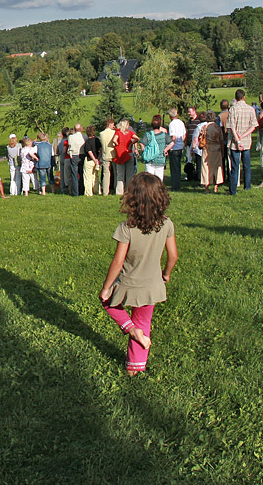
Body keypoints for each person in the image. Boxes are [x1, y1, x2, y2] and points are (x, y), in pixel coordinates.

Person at [98, 173, 178, 377]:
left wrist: (106, 288)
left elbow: (118, 262)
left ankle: (132, 331)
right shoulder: (167, 224)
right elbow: (173, 255)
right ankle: (135, 367)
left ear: (133, 198)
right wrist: (166, 274)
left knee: (107, 301)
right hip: (152, 285)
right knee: (143, 321)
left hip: (128, 284)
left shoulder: (126, 228)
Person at [225, 90, 256, 195]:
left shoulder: (233, 109)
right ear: (244, 97)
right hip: (246, 141)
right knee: (247, 165)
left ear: (236, 98)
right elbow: (253, 126)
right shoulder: (251, 109)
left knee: (235, 166)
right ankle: (247, 186)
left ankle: (233, 189)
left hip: (235, 142)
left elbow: (231, 127)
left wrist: (238, 139)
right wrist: (243, 136)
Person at [199, 111, 225, 193]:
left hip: (207, 149)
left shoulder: (204, 127)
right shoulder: (218, 128)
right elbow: (221, 140)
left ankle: (206, 187)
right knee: (216, 168)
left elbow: (201, 138)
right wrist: (222, 150)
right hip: (217, 149)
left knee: (205, 168)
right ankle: (216, 186)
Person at [111, 121, 138, 195]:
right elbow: (137, 138)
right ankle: (128, 190)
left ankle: (119, 191)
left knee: (120, 174)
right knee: (129, 173)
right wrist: (131, 144)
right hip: (129, 152)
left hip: (120, 153)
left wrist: (118, 145)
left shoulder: (118, 132)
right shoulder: (130, 133)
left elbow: (114, 140)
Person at [141, 115, 169, 180]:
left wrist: (144, 151)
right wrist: (166, 150)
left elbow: (142, 143)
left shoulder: (148, 134)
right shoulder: (164, 133)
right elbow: (171, 142)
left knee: (149, 179)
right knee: (159, 178)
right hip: (160, 159)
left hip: (150, 159)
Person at [166, 109, 186, 191]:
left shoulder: (172, 124)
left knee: (174, 167)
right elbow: (184, 135)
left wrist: (169, 144)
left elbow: (173, 137)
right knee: (178, 166)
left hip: (174, 148)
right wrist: (181, 142)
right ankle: (178, 183)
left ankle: (175, 185)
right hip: (180, 146)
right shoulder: (181, 122)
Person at [99, 118, 116, 198]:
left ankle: (105, 191)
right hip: (114, 154)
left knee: (106, 174)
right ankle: (116, 189)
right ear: (110, 124)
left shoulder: (101, 133)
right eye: (113, 124)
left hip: (105, 154)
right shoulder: (114, 133)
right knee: (116, 173)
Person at [66, 124, 85, 196]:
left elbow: (69, 145)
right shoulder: (84, 137)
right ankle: (82, 190)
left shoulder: (71, 137)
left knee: (74, 175)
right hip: (82, 155)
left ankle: (75, 192)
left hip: (74, 155)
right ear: (81, 129)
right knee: (82, 173)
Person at [83, 126, 102, 196]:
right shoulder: (97, 140)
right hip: (97, 159)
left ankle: (89, 192)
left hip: (89, 160)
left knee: (88, 177)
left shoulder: (87, 141)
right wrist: (98, 159)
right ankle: (97, 190)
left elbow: (89, 151)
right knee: (95, 176)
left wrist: (94, 159)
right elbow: (101, 150)